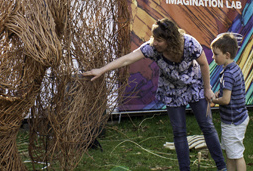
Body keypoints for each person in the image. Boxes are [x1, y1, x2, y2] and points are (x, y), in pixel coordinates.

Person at [83, 18, 227, 171]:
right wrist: (101, 70)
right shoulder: (152, 48)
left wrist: (207, 88)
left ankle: (222, 167)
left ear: (170, 39)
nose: (155, 42)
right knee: (179, 132)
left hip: (194, 86)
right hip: (171, 91)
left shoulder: (190, 44)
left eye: (159, 39)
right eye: (154, 38)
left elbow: (204, 64)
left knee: (207, 127)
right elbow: (127, 59)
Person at [209, 33, 249, 171]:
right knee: (230, 153)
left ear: (226, 55)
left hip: (233, 122)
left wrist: (213, 99)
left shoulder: (228, 73)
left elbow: (226, 100)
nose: (213, 57)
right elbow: (232, 90)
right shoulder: (234, 68)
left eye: (215, 54)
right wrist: (220, 91)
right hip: (236, 119)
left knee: (236, 155)